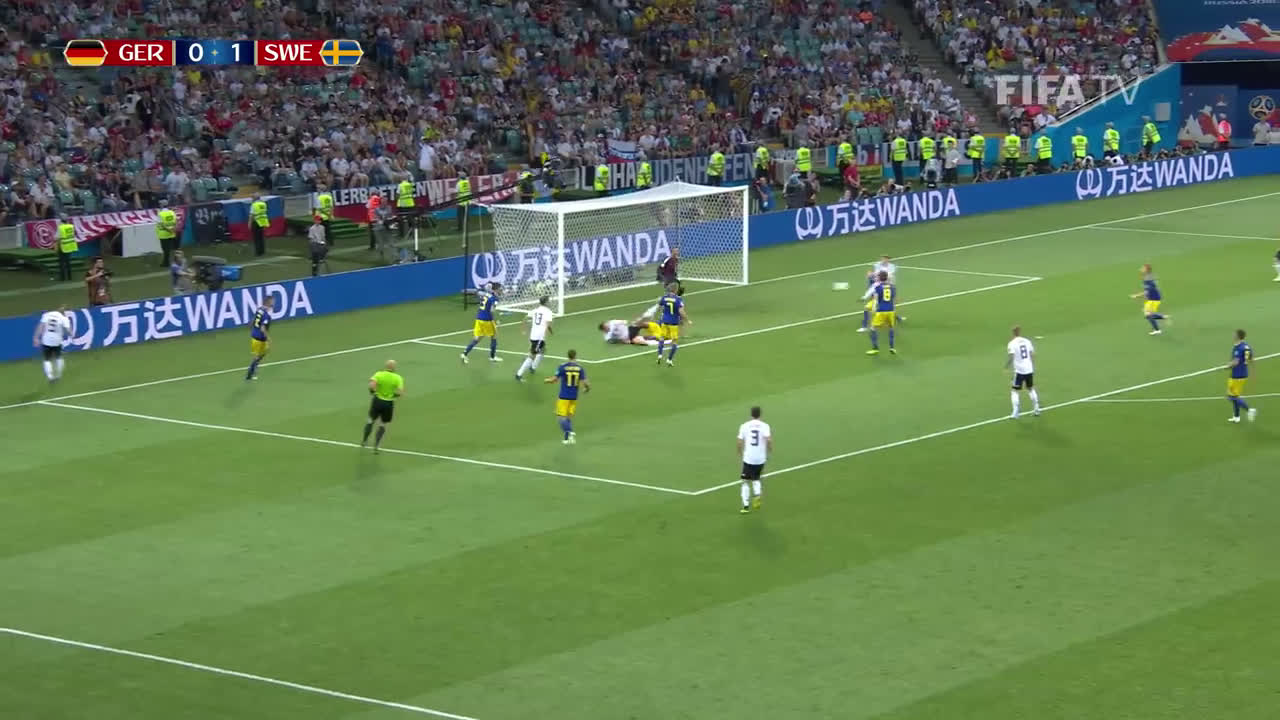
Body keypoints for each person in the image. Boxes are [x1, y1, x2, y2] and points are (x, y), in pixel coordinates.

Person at [544, 349, 589, 444]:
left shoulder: (562, 367)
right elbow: (585, 382)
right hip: (574, 397)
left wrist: (547, 380)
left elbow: (554, 380)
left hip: (564, 396)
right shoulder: (580, 368)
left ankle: (570, 431)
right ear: (575, 356)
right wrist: (586, 388)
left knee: (561, 418)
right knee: (567, 417)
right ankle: (567, 438)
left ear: (568, 356)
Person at [736, 405, 772, 513]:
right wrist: (769, 450)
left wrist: (739, 452)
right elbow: (769, 440)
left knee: (745, 481)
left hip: (749, 458)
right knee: (756, 478)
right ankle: (757, 494)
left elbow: (739, 441)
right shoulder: (765, 426)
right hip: (760, 458)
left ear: (751, 414)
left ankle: (745, 506)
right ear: (760, 414)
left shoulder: (744, 426)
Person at [363, 360, 405, 451]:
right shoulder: (398, 378)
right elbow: (400, 392)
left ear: (386, 366)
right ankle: (376, 445)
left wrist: (373, 392)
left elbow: (372, 385)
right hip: (388, 403)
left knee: (370, 421)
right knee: (382, 424)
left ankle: (364, 440)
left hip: (377, 401)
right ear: (394, 368)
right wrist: (394, 396)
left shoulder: (379, 374)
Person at [461, 283, 502, 363]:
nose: (501, 290)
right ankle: (492, 357)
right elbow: (491, 310)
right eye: (500, 289)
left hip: (479, 318)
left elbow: (481, 298)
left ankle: (464, 353)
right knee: (494, 336)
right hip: (487, 320)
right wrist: (495, 321)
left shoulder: (486, 295)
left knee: (477, 338)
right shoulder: (494, 298)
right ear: (496, 290)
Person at [516, 296, 554, 381]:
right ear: (546, 302)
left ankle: (533, 367)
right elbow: (548, 325)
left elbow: (525, 318)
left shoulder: (535, 310)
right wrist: (547, 334)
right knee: (532, 355)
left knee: (543, 350)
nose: (550, 302)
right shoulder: (548, 312)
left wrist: (523, 330)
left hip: (533, 335)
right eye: (549, 301)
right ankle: (519, 374)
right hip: (539, 337)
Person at [1006, 326, 1040, 419]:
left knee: (1014, 391)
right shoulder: (1027, 341)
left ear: (1013, 333)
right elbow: (1032, 354)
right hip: (1029, 369)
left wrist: (1006, 367)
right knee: (1030, 388)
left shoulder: (1012, 343)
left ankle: (1015, 412)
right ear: (1020, 332)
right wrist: (1032, 366)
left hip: (1019, 371)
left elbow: (1011, 356)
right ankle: (1036, 409)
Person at [32, 305, 71, 383]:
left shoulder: (46, 315)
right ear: (64, 313)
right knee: (58, 358)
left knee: (47, 359)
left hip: (46, 340)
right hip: (57, 341)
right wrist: (71, 334)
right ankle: (58, 375)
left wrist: (36, 338)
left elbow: (40, 327)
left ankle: (50, 377)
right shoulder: (64, 318)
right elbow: (69, 331)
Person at [655, 283, 690, 366]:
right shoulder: (678, 300)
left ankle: (660, 355)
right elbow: (681, 311)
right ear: (676, 290)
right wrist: (687, 320)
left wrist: (658, 316)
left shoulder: (664, 298)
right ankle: (669, 360)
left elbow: (659, 308)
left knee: (662, 338)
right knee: (674, 341)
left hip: (664, 321)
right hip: (673, 323)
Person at [1129, 264, 1169, 335]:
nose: (1141, 269)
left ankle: (1157, 330)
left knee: (1148, 315)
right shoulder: (1148, 277)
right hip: (1152, 298)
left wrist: (1136, 296)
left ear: (1146, 270)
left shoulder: (1147, 279)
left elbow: (1147, 292)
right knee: (1147, 314)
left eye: (1143, 268)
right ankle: (1163, 317)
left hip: (1154, 298)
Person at [1227, 329, 1257, 424]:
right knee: (1235, 396)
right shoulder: (1246, 347)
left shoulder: (1239, 348)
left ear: (1238, 336)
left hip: (1237, 375)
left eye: (1234, 334)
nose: (1233, 335)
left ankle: (1249, 410)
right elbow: (1251, 359)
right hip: (1243, 374)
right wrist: (1252, 373)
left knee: (1231, 397)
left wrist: (1228, 366)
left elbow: (1236, 362)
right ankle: (1236, 417)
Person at [863, 270, 896, 355]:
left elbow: (876, 299)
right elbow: (893, 298)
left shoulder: (878, 287)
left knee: (872, 328)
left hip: (881, 311)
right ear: (887, 277)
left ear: (879, 278)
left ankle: (875, 348)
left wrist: (874, 309)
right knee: (891, 328)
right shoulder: (892, 286)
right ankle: (892, 347)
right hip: (891, 310)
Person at [245, 295, 274, 380]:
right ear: (268, 303)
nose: (273, 303)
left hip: (254, 335)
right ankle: (251, 372)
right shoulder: (266, 315)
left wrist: (250, 325)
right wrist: (268, 338)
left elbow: (254, 319)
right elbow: (263, 328)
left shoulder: (259, 309)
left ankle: (253, 369)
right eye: (272, 301)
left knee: (262, 353)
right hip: (260, 338)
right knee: (259, 355)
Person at [156, 199, 177, 266]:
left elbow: (162, 225)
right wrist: (172, 230)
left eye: (160, 204)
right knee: (172, 249)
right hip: (171, 233)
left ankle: (166, 262)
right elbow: (175, 222)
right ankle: (174, 261)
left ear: (162, 205)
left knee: (165, 249)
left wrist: (168, 230)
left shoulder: (160, 214)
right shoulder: (172, 212)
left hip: (163, 234)